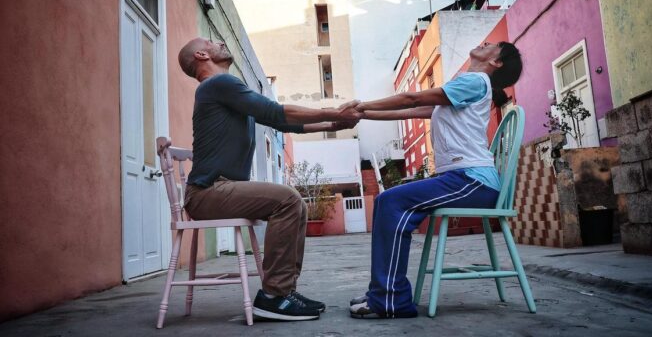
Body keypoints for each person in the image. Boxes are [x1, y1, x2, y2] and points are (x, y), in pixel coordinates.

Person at [178, 38, 360, 321]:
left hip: (218, 190)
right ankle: (273, 296)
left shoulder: (223, 90)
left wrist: (334, 124)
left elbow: (281, 123)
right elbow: (276, 112)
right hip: (207, 192)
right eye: (212, 42)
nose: (220, 43)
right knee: (288, 200)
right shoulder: (218, 85)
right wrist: (334, 112)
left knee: (292, 202)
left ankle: (283, 291)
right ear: (202, 55)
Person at [349, 41, 523, 319]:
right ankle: (383, 291)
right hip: (462, 180)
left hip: (474, 181)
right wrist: (360, 114)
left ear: (497, 62)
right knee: (387, 201)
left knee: (391, 202)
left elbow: (412, 99)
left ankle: (390, 298)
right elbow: (410, 112)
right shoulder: (466, 85)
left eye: (493, 45)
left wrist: (360, 105)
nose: (485, 42)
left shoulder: (476, 81)